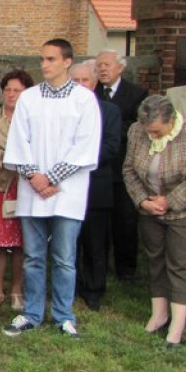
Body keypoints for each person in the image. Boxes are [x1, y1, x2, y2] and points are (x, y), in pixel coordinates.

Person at [2, 38, 101, 338]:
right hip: (34, 191)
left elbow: (85, 146)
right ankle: (32, 312)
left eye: (50, 59)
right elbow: (19, 142)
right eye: (42, 59)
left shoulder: (84, 100)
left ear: (67, 61)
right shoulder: (30, 98)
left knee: (64, 258)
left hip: (66, 192)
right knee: (32, 256)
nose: (44, 64)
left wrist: (53, 177)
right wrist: (34, 176)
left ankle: (63, 314)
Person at [123, 95, 186, 348]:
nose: (150, 135)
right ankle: (159, 313)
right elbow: (129, 170)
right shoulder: (136, 131)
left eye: (156, 131)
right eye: (147, 130)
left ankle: (177, 324)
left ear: (171, 121)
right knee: (156, 259)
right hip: (150, 207)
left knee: (180, 264)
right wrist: (143, 201)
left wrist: (169, 202)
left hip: (185, 210)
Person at [70, 60, 121, 311]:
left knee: (95, 242)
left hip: (96, 186)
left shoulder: (109, 111)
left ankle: (93, 290)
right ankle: (70, 286)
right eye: (75, 81)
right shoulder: (63, 110)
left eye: (85, 80)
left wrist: (79, 158)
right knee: (69, 242)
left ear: (95, 82)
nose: (80, 85)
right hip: (66, 185)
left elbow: (112, 146)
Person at [95, 49, 149, 281]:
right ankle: (99, 266)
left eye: (107, 65)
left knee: (125, 220)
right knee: (100, 223)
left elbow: (137, 128)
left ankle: (126, 270)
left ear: (120, 67)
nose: (102, 69)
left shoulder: (136, 94)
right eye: (99, 65)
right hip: (97, 168)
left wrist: (108, 131)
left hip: (123, 167)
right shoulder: (90, 92)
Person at [0, 69, 34, 315]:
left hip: (24, 186)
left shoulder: (34, 119)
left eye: (17, 90)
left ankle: (17, 289)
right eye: (8, 90)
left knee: (19, 243)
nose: (12, 94)